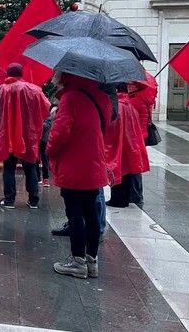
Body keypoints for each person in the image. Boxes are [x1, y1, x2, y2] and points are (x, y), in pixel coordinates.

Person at [48, 72, 111, 279]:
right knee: (91, 213)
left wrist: (49, 149)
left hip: (74, 165)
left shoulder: (70, 98)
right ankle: (92, 261)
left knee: (74, 213)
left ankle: (77, 262)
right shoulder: (102, 96)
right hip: (94, 164)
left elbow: (61, 133)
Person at [0, 63, 51, 210]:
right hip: (28, 134)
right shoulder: (34, 89)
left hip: (7, 134)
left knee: (9, 167)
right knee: (30, 166)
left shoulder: (1, 90)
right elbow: (47, 108)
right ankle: (34, 200)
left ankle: (9, 200)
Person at [106, 84, 150, 208]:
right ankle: (125, 198)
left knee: (118, 170)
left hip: (119, 143)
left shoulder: (117, 106)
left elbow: (113, 125)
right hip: (130, 144)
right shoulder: (129, 105)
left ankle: (117, 200)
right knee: (128, 172)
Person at [128, 75, 157, 207]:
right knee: (136, 165)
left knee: (134, 166)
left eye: (131, 84)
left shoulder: (135, 101)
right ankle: (135, 193)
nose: (129, 86)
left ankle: (135, 194)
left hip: (136, 136)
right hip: (142, 135)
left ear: (137, 86)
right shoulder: (144, 99)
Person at [39, 105, 57, 187]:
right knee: (36, 160)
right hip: (40, 141)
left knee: (44, 160)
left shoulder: (49, 119)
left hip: (44, 141)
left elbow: (45, 126)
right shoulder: (46, 117)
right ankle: (39, 178)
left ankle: (45, 179)